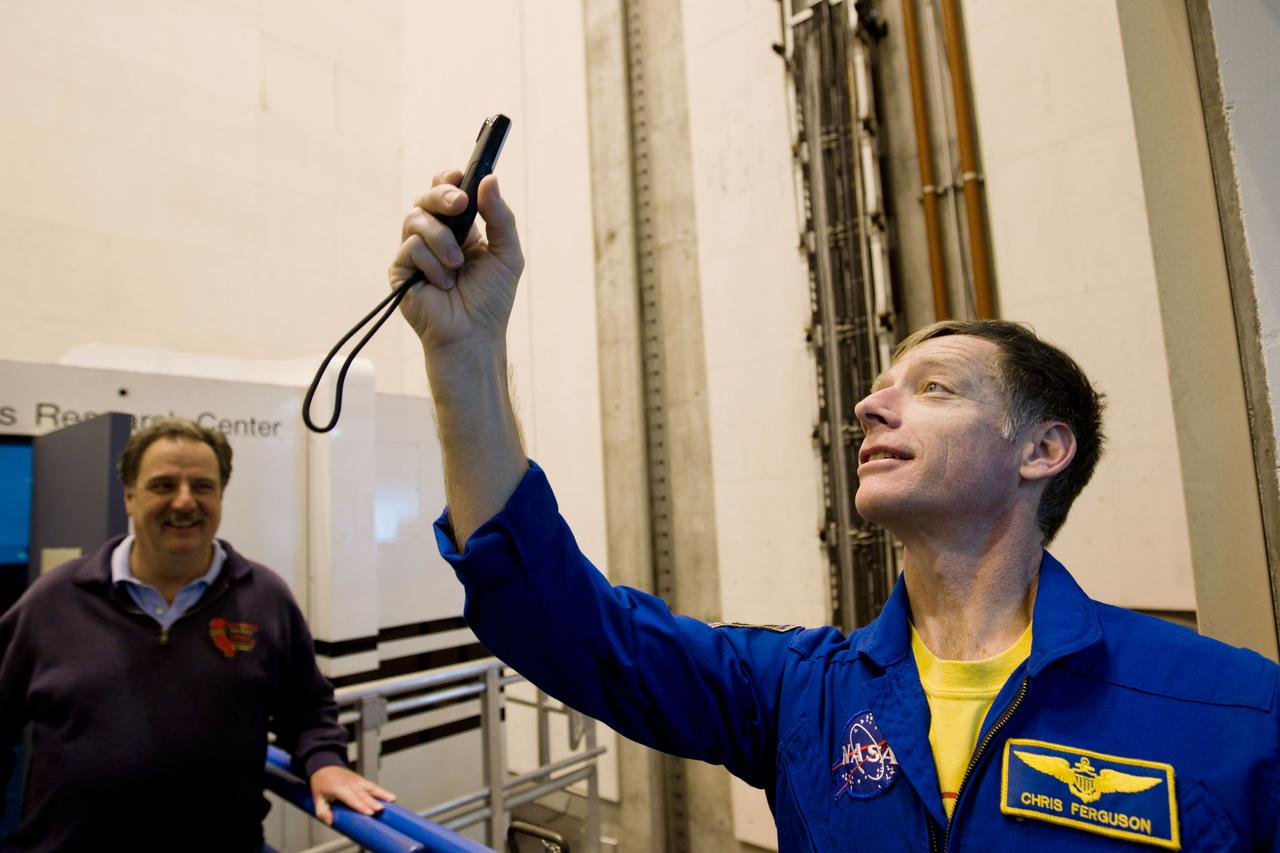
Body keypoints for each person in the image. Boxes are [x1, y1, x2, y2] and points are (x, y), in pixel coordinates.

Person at [389, 172, 1280, 850]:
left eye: (934, 387)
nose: (868, 407)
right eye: (879, 387)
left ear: (1041, 450)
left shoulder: (1233, 711)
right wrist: (465, 355)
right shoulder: (802, 694)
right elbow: (562, 622)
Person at [0, 418, 394, 852]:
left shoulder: (264, 598)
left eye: (202, 486)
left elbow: (306, 708)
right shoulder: (55, 600)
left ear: (220, 496)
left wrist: (325, 762)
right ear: (129, 496)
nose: (185, 501)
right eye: (163, 485)